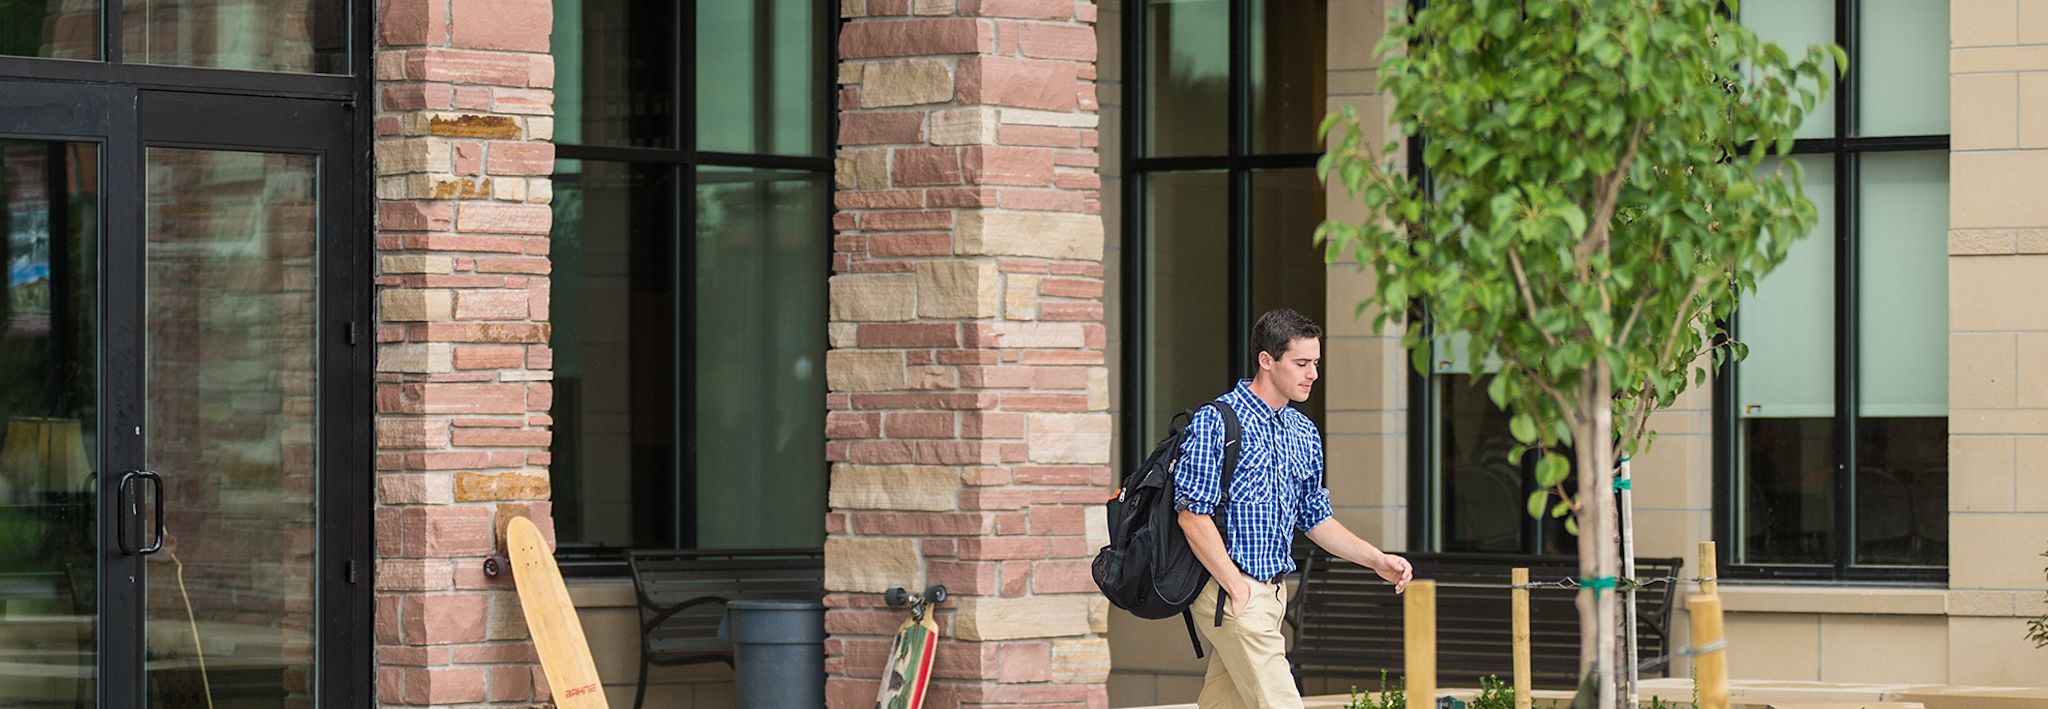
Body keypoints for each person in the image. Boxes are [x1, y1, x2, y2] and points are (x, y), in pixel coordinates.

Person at [1175, 307, 1414, 708]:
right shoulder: (1217, 421)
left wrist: (1375, 559)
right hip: (1230, 592)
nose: (1312, 374)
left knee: (1224, 704)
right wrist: (1235, 587)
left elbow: (1315, 517)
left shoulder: (1303, 432)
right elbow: (1191, 514)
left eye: (1315, 363)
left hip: (1271, 595)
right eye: (1301, 363)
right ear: (1266, 361)